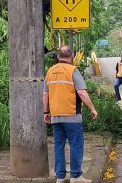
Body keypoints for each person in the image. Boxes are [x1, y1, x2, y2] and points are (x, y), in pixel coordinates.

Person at [43, 46, 98, 183]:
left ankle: (60, 177)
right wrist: (92, 108)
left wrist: (46, 112)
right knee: (76, 145)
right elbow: (81, 92)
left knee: (58, 146)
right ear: (72, 55)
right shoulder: (73, 70)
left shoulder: (50, 71)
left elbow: (45, 94)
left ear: (58, 56)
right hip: (72, 115)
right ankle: (75, 176)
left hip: (56, 116)